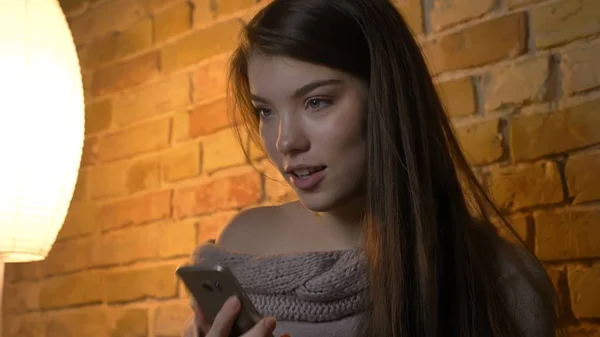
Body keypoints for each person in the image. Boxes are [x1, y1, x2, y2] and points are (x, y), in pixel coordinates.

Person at [182, 1, 562, 336]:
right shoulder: (240, 245)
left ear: (386, 97)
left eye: (316, 102)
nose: (285, 141)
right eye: (266, 110)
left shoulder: (504, 283)